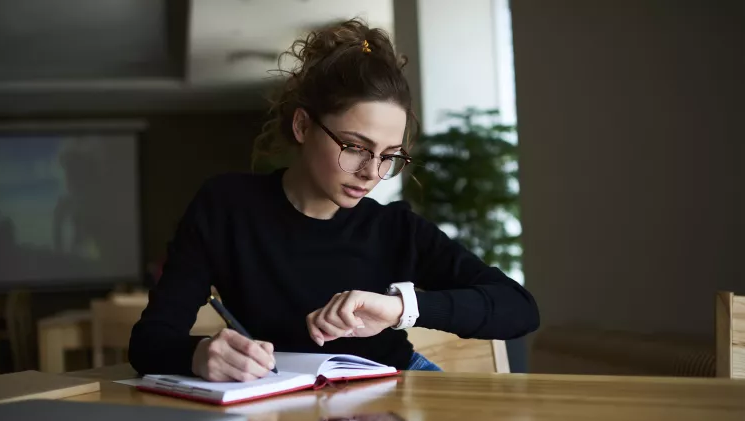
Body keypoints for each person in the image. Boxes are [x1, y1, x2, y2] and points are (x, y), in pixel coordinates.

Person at [128, 18, 539, 382]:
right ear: (303, 126)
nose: (372, 172)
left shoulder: (394, 228)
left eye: (389, 155)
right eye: (356, 147)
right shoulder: (225, 208)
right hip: (283, 395)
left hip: (397, 386)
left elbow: (519, 308)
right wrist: (199, 354)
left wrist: (399, 308)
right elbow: (150, 343)